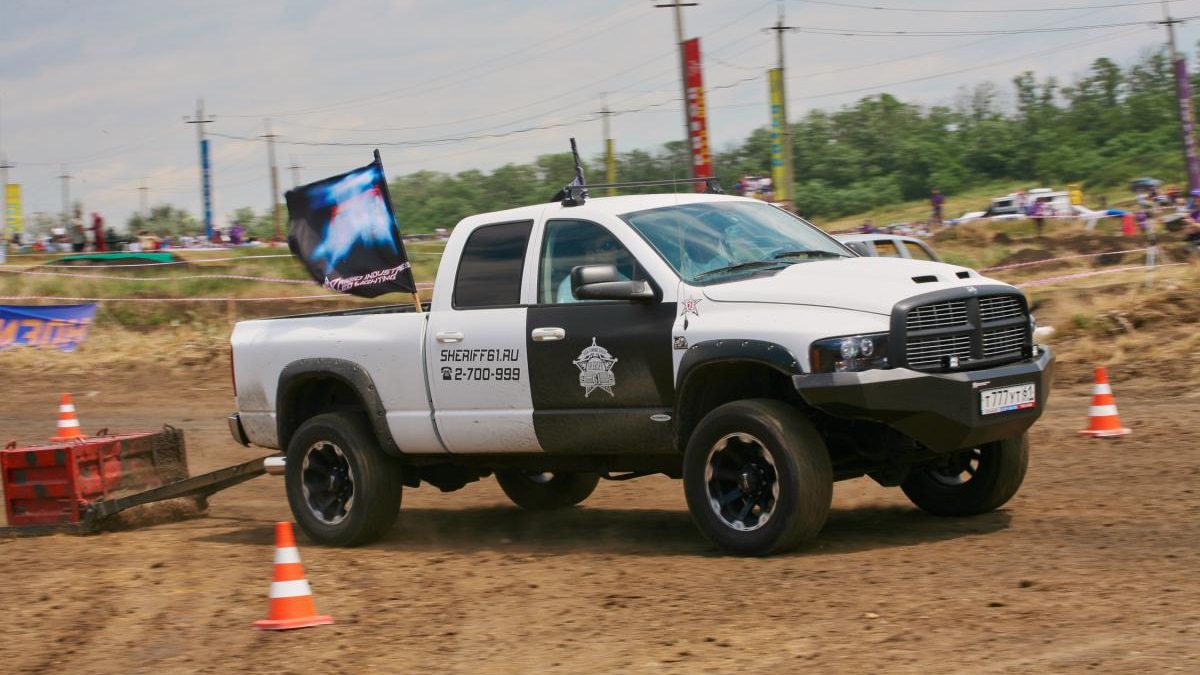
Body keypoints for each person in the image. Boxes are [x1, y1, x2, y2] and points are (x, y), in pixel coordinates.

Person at [555, 235, 627, 303]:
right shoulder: (573, 284)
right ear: (588, 254)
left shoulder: (625, 282)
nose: (613, 250)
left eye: (610, 245)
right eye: (606, 247)